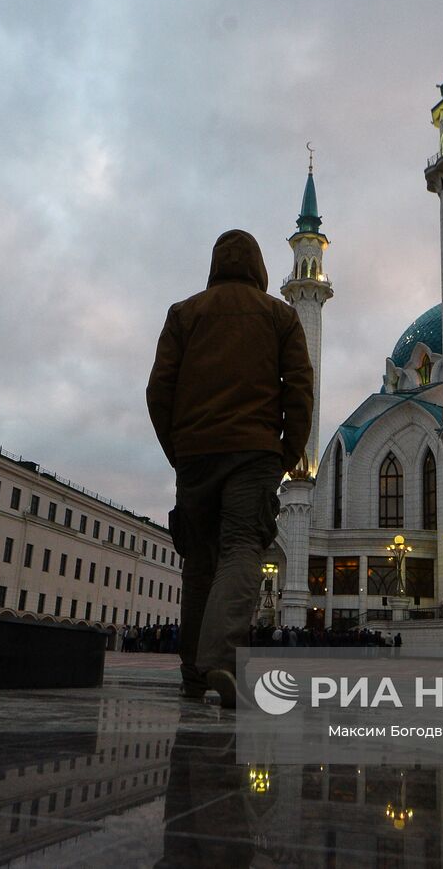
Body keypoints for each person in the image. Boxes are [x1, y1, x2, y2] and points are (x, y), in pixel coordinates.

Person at [146, 229, 314, 708]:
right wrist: (285, 454)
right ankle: (220, 658)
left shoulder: (184, 313)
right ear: (260, 266)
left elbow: (159, 390)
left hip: (195, 454)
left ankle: (193, 675)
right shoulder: (280, 316)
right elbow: (300, 390)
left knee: (199, 559)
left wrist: (178, 448)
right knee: (242, 547)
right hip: (255, 452)